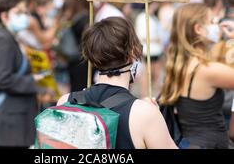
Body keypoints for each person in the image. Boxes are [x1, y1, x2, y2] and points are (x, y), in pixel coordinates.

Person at [57, 17, 176, 149]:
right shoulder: (145, 114)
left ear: (92, 57)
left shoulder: (65, 102)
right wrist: (154, 114)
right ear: (132, 53)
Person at [160, 3, 234, 149]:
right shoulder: (207, 70)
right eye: (212, 22)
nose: (218, 26)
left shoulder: (181, 64)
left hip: (190, 143)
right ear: (199, 29)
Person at [0, 0, 38, 149]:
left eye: (26, 12)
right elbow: (2, 78)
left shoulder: (8, 37)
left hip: (11, 124)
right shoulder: (2, 40)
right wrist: (34, 82)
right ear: (4, 16)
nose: (24, 17)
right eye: (18, 12)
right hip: (7, 124)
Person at [135, 3, 165, 96]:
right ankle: (144, 96)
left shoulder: (154, 18)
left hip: (157, 51)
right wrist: (156, 39)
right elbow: (141, 36)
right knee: (146, 75)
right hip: (147, 51)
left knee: (157, 75)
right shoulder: (142, 17)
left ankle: (157, 97)